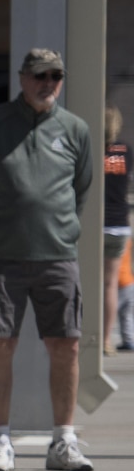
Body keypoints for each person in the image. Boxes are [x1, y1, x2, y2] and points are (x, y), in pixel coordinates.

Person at [0, 48, 94, 471]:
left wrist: (57, 226)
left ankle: (64, 442)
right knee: (0, 345)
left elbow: (82, 189)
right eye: (40, 75)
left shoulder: (76, 129)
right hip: (1, 257)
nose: (48, 83)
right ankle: (0, 440)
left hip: (57, 254)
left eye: (55, 76)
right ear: (22, 78)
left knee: (66, 345)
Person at [102, 107, 128, 359]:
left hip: (93, 224)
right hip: (119, 224)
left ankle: (87, 333)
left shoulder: (89, 149)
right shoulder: (125, 151)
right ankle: (106, 339)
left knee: (85, 282)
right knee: (110, 285)